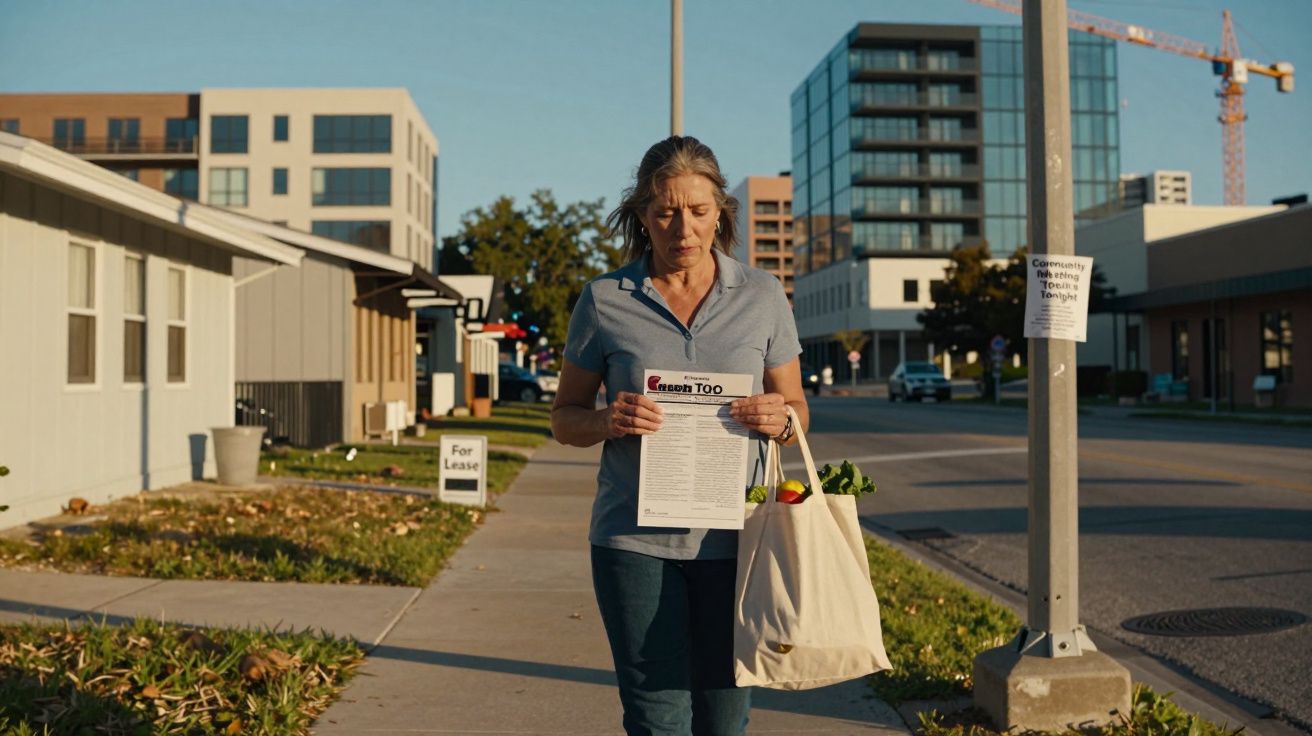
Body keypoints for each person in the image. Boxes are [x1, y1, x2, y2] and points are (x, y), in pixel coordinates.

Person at [551, 136, 809, 736]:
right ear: (643, 214)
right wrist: (606, 421)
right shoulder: (604, 300)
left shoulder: (763, 296)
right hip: (632, 545)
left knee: (725, 719)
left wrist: (782, 419)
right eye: (666, 211)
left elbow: (797, 409)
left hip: (738, 543)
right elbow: (564, 417)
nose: (683, 228)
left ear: (720, 211)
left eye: (697, 211)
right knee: (655, 717)